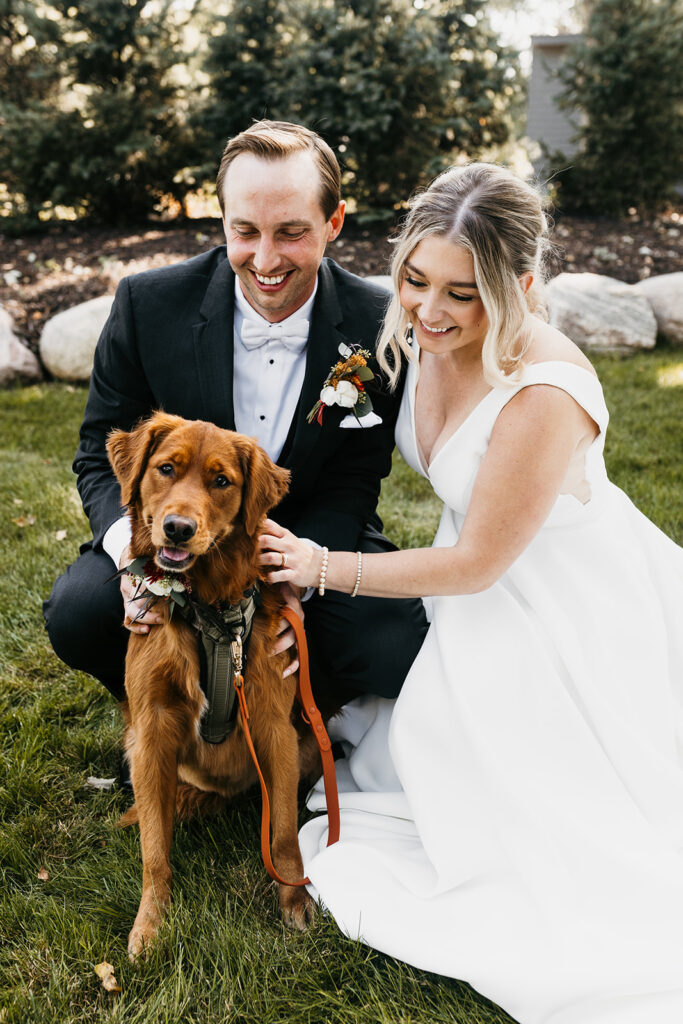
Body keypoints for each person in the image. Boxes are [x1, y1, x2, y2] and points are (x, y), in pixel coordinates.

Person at [258, 162, 683, 1024]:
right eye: (414, 280)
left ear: (520, 287)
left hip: (558, 605)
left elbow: (476, 564)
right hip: (475, 594)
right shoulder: (417, 331)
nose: (428, 311)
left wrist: (319, 567)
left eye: (463, 293)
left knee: (541, 829)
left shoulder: (544, 391)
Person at [43, 119, 427, 718]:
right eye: (244, 231)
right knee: (79, 612)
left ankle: (281, 718)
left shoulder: (377, 322)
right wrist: (130, 558)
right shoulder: (147, 304)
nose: (266, 259)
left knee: (392, 638)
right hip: (173, 533)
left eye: (292, 232)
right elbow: (99, 449)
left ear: (334, 222)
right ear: (221, 219)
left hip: (297, 539)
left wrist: (298, 578)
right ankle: (168, 715)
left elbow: (355, 476)